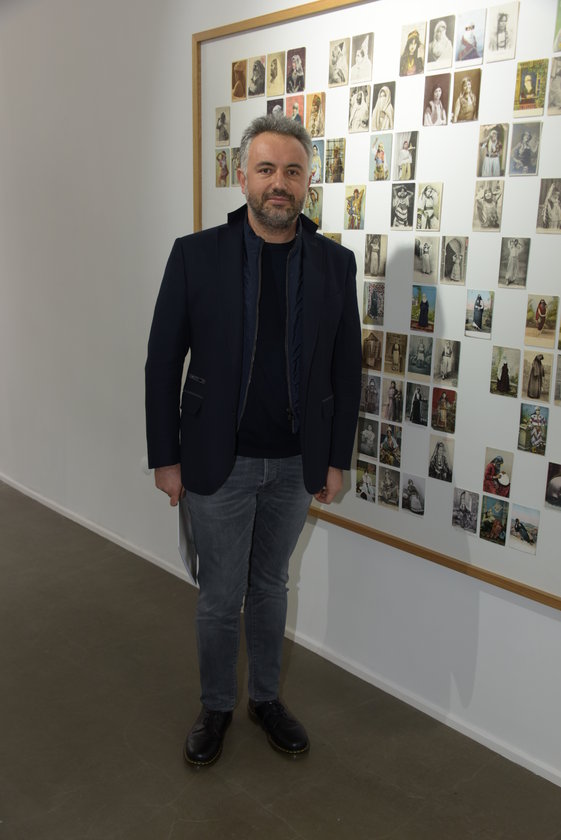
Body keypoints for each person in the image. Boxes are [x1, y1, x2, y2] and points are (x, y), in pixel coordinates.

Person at [145, 114, 362, 767]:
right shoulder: (195, 255)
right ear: (242, 177)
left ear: (307, 183)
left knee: (270, 585)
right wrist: (165, 458)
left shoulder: (335, 264)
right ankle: (215, 706)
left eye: (292, 171)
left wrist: (336, 459)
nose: (279, 183)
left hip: (295, 463)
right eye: (266, 169)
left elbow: (345, 369)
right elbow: (163, 362)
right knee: (219, 594)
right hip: (220, 461)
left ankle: (264, 699)